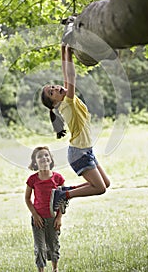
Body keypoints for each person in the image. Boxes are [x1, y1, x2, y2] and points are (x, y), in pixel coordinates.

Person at [41, 43, 110, 216]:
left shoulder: (65, 99)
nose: (56, 88)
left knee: (105, 183)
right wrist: (69, 53)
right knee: (100, 188)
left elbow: (65, 75)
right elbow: (71, 76)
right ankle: (64, 195)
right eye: (51, 92)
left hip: (86, 151)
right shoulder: (67, 104)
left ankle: (64, 191)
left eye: (53, 86)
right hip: (79, 154)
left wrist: (64, 50)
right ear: (54, 103)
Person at [25, 146, 75, 272]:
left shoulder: (58, 178)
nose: (43, 158)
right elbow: (27, 198)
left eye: (46, 155)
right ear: (35, 161)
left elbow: (64, 199)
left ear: (51, 159)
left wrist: (59, 217)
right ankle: (41, 270)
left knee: (53, 245)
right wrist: (35, 215)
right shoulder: (32, 179)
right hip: (38, 220)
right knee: (40, 248)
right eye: (39, 156)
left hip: (53, 219)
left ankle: (55, 269)